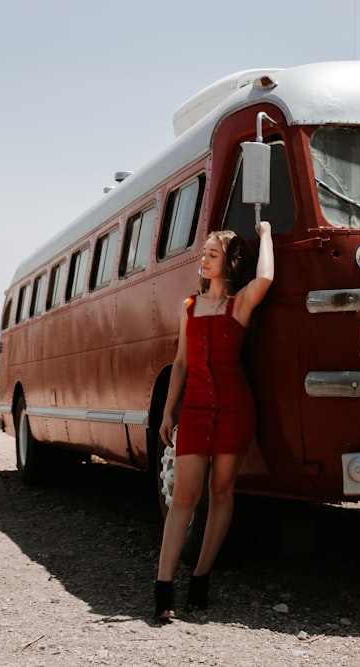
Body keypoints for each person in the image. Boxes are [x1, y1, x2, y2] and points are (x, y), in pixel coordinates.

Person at [154, 220, 274, 621]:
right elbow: (181, 364)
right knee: (184, 497)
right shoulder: (189, 306)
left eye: (212, 254)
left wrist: (268, 234)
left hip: (236, 409)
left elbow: (266, 277)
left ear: (228, 262)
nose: (203, 260)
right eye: (203, 254)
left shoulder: (239, 304)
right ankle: (164, 584)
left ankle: (201, 578)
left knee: (221, 492)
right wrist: (168, 412)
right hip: (195, 409)